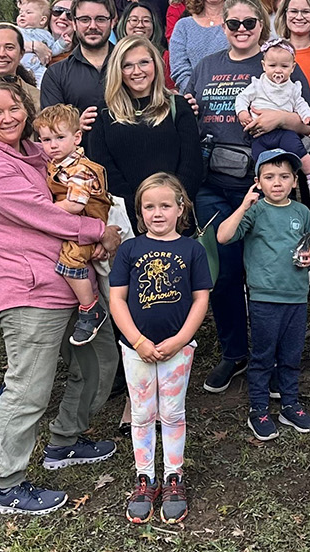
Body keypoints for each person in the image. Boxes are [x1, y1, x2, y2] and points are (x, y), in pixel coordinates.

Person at [0, 80, 122, 516]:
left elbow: (75, 180)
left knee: (98, 361)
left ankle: (65, 440)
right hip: (28, 287)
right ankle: (8, 485)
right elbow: (43, 214)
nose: (8, 117)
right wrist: (100, 232)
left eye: (15, 107)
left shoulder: (35, 155)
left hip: (73, 281)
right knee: (28, 388)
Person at [190, 0, 310, 394]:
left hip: (269, 181)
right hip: (215, 182)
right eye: (233, 23)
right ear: (222, 26)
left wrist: (280, 119)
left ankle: (277, 356)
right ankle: (234, 352)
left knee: (273, 270)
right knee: (224, 270)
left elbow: (308, 127)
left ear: (262, 27)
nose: (241, 29)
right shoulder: (207, 66)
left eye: (249, 23)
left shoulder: (284, 62)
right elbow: (193, 117)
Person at [110, 172, 211, 525]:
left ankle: (173, 477)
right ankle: (144, 478)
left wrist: (181, 338)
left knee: (171, 412)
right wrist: (137, 340)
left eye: (165, 205)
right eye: (149, 206)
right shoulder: (130, 249)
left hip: (178, 348)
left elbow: (201, 299)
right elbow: (117, 299)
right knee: (141, 414)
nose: (157, 213)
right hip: (135, 348)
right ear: (139, 211)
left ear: (180, 208)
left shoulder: (192, 249)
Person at [217, 150, 310, 440]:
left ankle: (289, 403)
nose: (277, 183)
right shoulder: (255, 211)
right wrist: (243, 205)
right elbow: (223, 236)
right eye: (270, 177)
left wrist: (309, 256)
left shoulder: (301, 212)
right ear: (258, 182)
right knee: (263, 356)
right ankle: (259, 409)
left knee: (291, 355)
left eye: (284, 176)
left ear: (294, 180)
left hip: (297, 297)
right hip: (264, 298)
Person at [86, 35, 205, 227]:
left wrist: (170, 209)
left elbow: (191, 166)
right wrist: (140, 212)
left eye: (144, 62)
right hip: (127, 223)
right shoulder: (102, 113)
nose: (137, 71)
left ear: (155, 65)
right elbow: (104, 170)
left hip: (177, 222)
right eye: (128, 65)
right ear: (118, 70)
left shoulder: (179, 107)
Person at [31, 104, 113, 345]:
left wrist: (43, 211)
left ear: (77, 137)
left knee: (70, 260)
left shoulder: (79, 168)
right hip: (76, 224)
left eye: (59, 137)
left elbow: (76, 204)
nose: (52, 145)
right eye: (46, 139)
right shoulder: (56, 164)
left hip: (88, 219)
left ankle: (90, 309)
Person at [233, 39, 310, 200]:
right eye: (272, 66)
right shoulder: (257, 84)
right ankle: (263, 189)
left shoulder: (293, 88)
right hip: (259, 134)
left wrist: (308, 116)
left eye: (284, 66)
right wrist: (243, 113)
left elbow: (301, 104)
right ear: (263, 66)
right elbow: (241, 99)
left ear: (292, 68)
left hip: (284, 132)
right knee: (260, 160)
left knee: (299, 151)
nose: (278, 71)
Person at [169, 0, 238, 93]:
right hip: (194, 99)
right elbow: (179, 68)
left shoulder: (239, 23)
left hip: (234, 97)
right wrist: (196, 92)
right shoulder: (183, 26)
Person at [42, 0, 116, 112]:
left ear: (112, 22)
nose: (92, 26)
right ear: (75, 24)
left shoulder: (130, 65)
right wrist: (77, 126)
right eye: (84, 19)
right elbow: (51, 127)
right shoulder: (56, 74)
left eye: (100, 19)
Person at [0, 0, 66, 86]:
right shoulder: (15, 31)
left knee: (46, 81)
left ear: (42, 20)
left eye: (28, 12)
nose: (22, 15)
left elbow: (52, 50)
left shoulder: (46, 35)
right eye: (20, 13)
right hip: (16, 67)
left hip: (37, 69)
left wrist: (62, 43)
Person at [49, 0, 77, 66]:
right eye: (57, 11)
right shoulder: (30, 46)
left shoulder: (82, 56)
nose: (63, 17)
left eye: (70, 14)